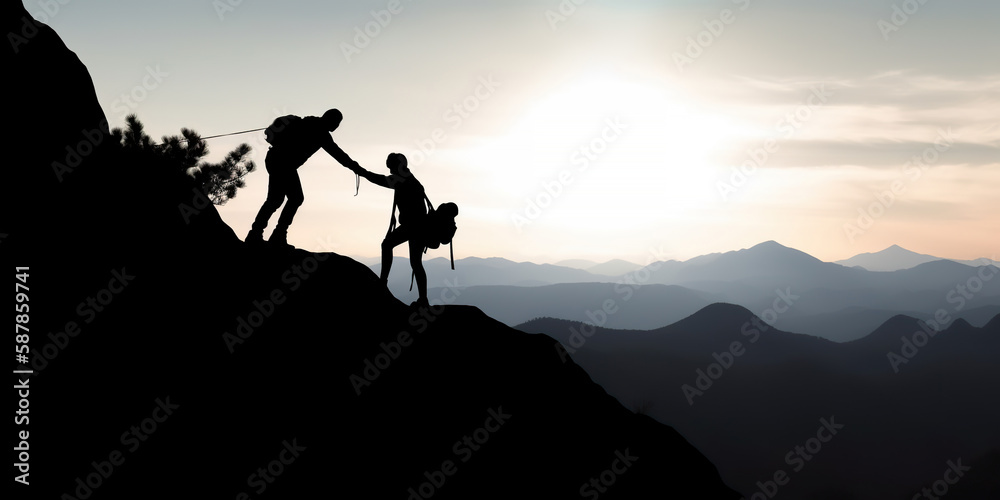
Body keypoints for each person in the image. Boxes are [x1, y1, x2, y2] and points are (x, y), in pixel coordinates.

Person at [246, 109, 360, 247]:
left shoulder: (308, 122)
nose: (337, 126)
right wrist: (356, 168)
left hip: (275, 159)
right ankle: (276, 234)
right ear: (331, 120)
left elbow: (337, 153)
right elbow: (338, 154)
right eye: (337, 122)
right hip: (283, 163)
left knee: (275, 200)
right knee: (294, 198)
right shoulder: (321, 133)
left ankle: (258, 233)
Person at [351, 153, 432, 308]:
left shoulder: (403, 179)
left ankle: (383, 282)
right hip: (419, 226)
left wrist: (362, 172)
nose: (390, 171)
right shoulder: (411, 179)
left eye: (391, 167)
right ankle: (423, 299)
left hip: (413, 226)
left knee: (387, 245)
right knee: (416, 263)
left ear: (397, 166)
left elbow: (381, 180)